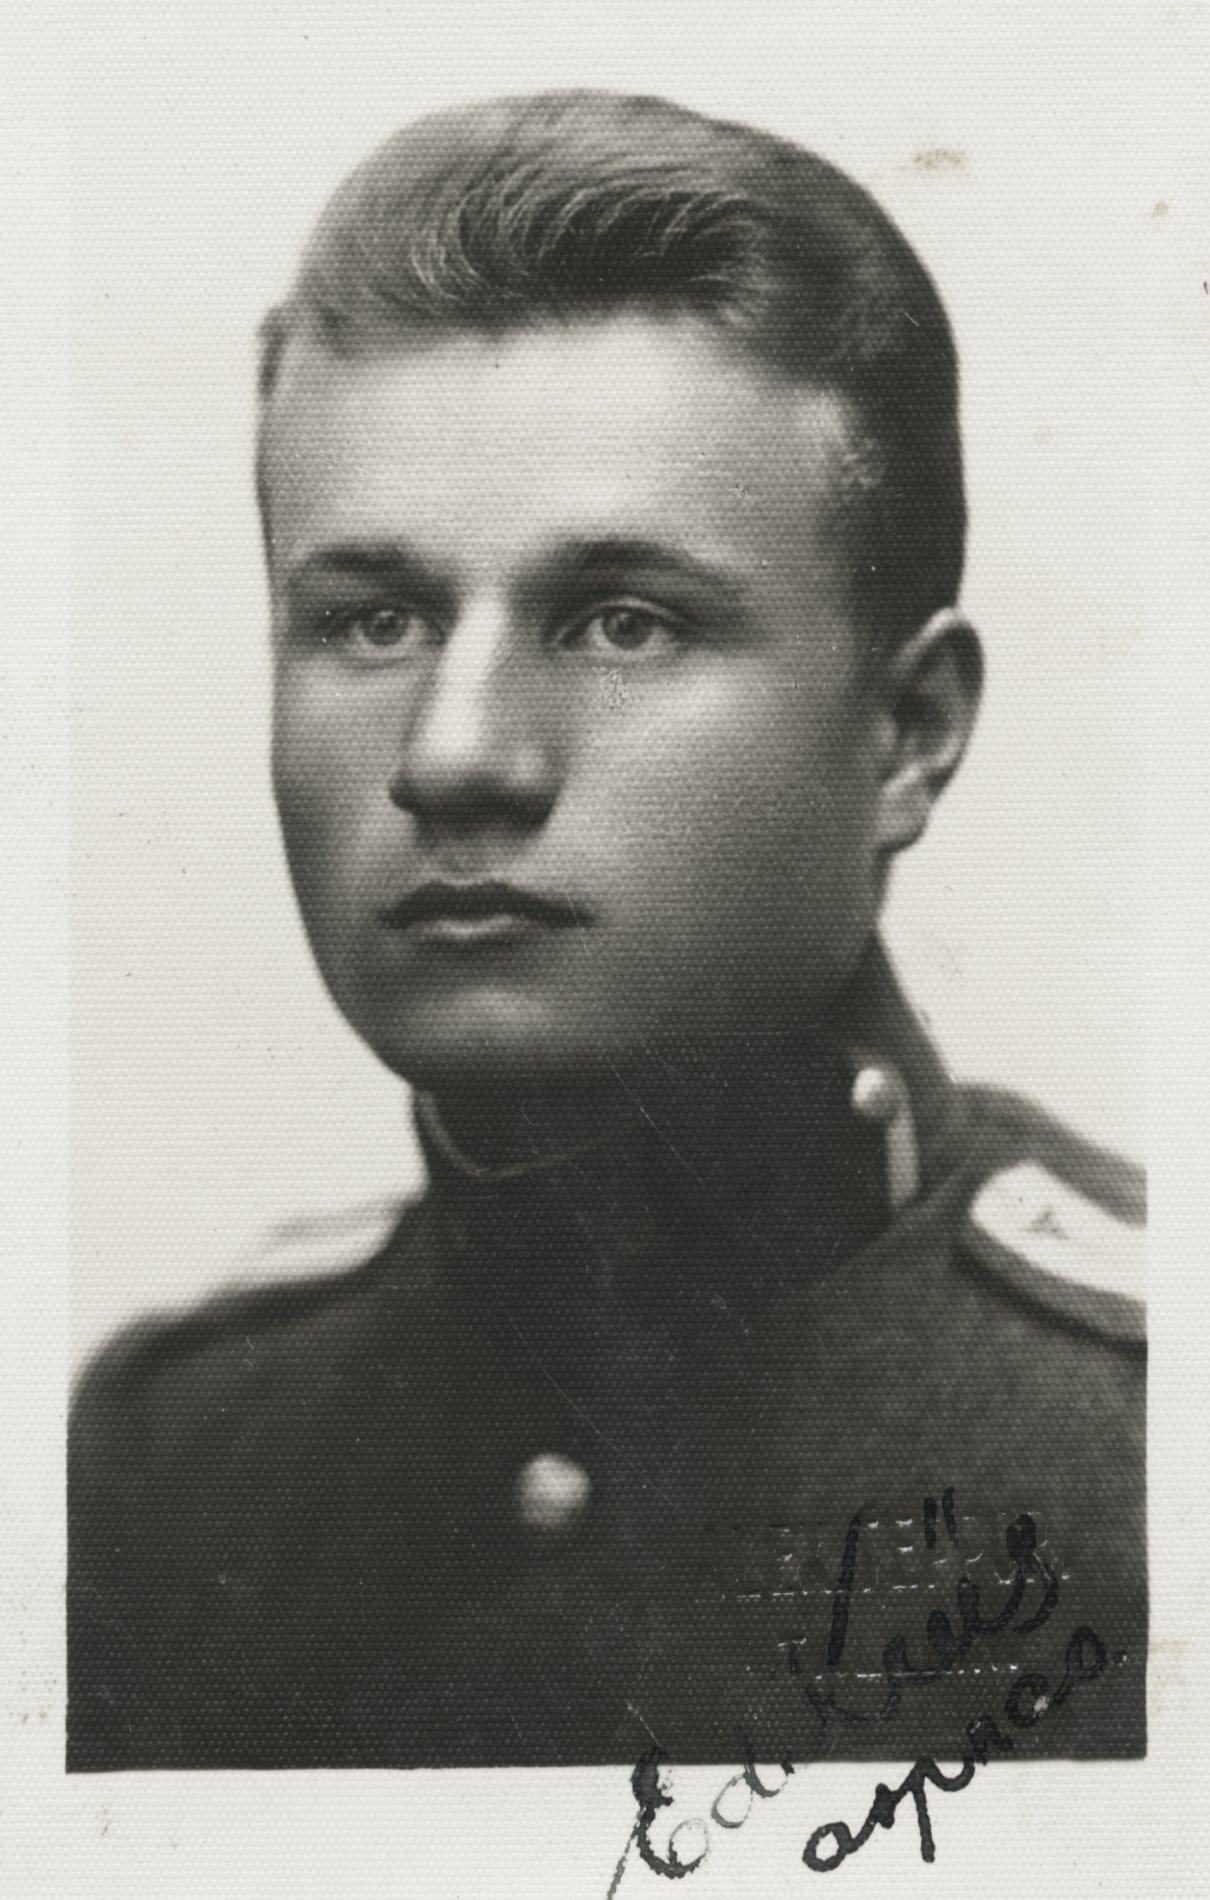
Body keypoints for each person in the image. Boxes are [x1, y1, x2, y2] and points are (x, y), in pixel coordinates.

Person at [68, 89, 1145, 1772]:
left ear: (907, 735)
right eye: (373, 620)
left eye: (622, 622)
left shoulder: (1138, 1450)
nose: (451, 757)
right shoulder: (163, 1464)